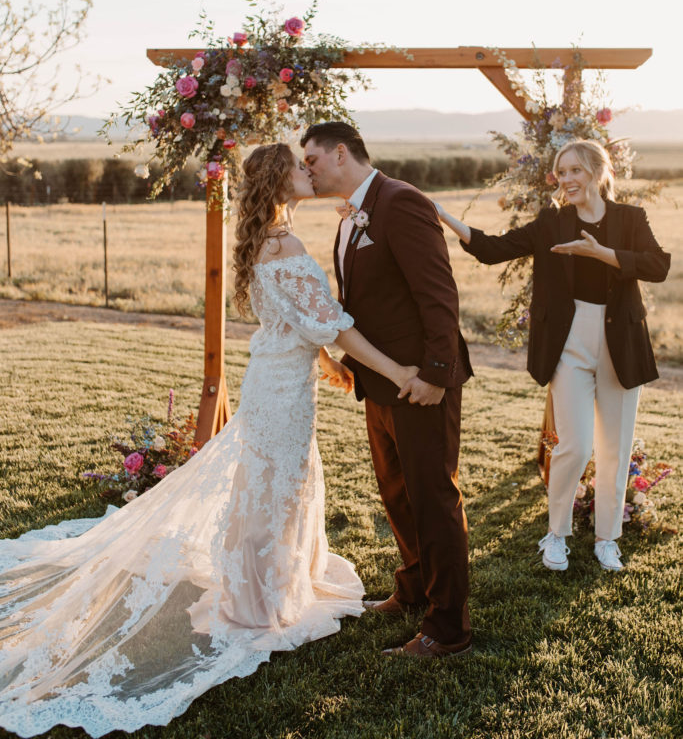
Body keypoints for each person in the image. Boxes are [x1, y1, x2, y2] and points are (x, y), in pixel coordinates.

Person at [0, 142, 418, 738]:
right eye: (299, 169)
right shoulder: (288, 243)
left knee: (270, 479)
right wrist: (396, 371)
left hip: (276, 376)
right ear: (279, 183)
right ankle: (257, 602)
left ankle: (263, 585)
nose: (309, 173)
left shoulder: (262, 241)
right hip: (280, 390)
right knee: (277, 482)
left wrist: (323, 358)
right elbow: (333, 324)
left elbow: (299, 321)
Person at [434, 138, 670, 573]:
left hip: (621, 341)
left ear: (599, 172)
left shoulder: (630, 218)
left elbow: (658, 265)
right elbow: (493, 249)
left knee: (615, 450)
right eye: (561, 173)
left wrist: (602, 255)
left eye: (575, 170)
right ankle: (557, 533)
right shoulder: (551, 223)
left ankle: (607, 540)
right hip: (568, 341)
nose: (566, 180)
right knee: (575, 446)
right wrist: (447, 219)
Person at [301, 122, 473, 659]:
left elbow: (439, 293)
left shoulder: (400, 202)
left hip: (420, 381)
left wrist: (435, 373)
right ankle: (415, 588)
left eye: (311, 160)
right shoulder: (356, 211)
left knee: (433, 497)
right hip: (378, 382)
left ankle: (448, 628)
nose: (306, 169)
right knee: (398, 493)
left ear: (341, 153)